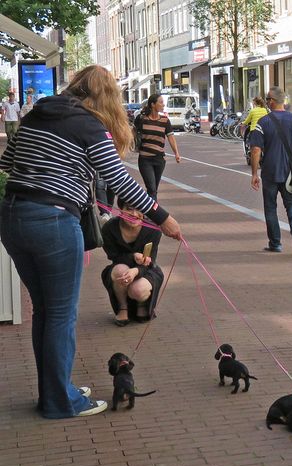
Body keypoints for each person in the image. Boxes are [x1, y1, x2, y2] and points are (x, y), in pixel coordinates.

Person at [0, 65, 182, 419]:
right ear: (105, 98)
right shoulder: (88, 125)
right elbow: (120, 181)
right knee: (61, 315)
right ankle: (60, 402)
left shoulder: (34, 115)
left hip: (12, 217)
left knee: (45, 311)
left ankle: (55, 390)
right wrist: (163, 217)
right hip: (53, 220)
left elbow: (6, 165)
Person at [249, 86, 292, 254]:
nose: (267, 102)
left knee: (270, 207)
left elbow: (255, 150)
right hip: (290, 172)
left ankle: (275, 243)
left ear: (272, 101)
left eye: (268, 99)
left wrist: (254, 173)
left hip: (269, 172)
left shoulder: (264, 122)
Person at [101, 198, 163, 326]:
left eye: (139, 209)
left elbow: (150, 262)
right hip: (120, 267)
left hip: (147, 270)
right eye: (129, 208)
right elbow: (114, 256)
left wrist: (136, 271)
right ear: (121, 209)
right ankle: (123, 307)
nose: (134, 214)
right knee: (120, 270)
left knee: (138, 290)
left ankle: (142, 304)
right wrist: (133, 256)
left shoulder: (153, 229)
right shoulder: (109, 228)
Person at [135, 93, 181, 199]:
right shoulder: (141, 119)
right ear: (152, 104)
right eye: (161, 102)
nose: (163, 105)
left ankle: (150, 211)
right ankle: (154, 214)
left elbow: (171, 137)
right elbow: (132, 133)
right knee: (151, 188)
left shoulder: (165, 120)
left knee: (154, 189)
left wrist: (176, 153)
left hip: (159, 160)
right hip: (145, 159)